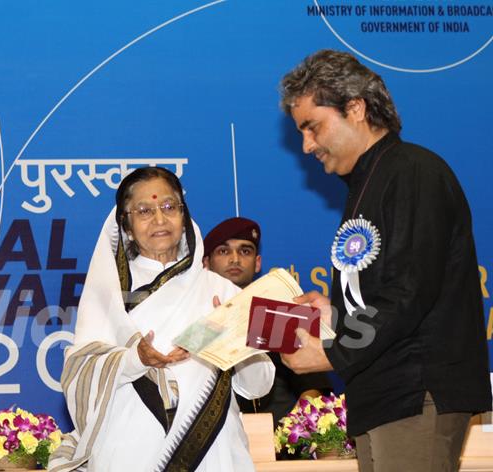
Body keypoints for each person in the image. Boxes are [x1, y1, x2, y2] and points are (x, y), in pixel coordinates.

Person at [278, 50, 491, 472]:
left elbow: (408, 291)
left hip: (417, 390)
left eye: (312, 127)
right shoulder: (368, 183)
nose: (306, 146)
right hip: (381, 393)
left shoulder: (413, 171)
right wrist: (334, 314)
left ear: (355, 108)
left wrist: (335, 351)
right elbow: (385, 287)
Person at [48, 167, 275, 471]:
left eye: (169, 207)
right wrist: (134, 359)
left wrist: (236, 342)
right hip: (129, 450)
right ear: (126, 225)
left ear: (183, 215)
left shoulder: (221, 290)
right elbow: (79, 374)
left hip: (214, 452)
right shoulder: (111, 295)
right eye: (144, 210)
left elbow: (258, 386)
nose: (159, 219)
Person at [203, 217, 332, 425]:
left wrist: (289, 432)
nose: (235, 259)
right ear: (206, 263)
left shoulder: (280, 313)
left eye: (245, 251)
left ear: (258, 263)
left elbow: (313, 387)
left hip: (282, 445)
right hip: (214, 443)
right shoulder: (196, 317)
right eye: (224, 251)